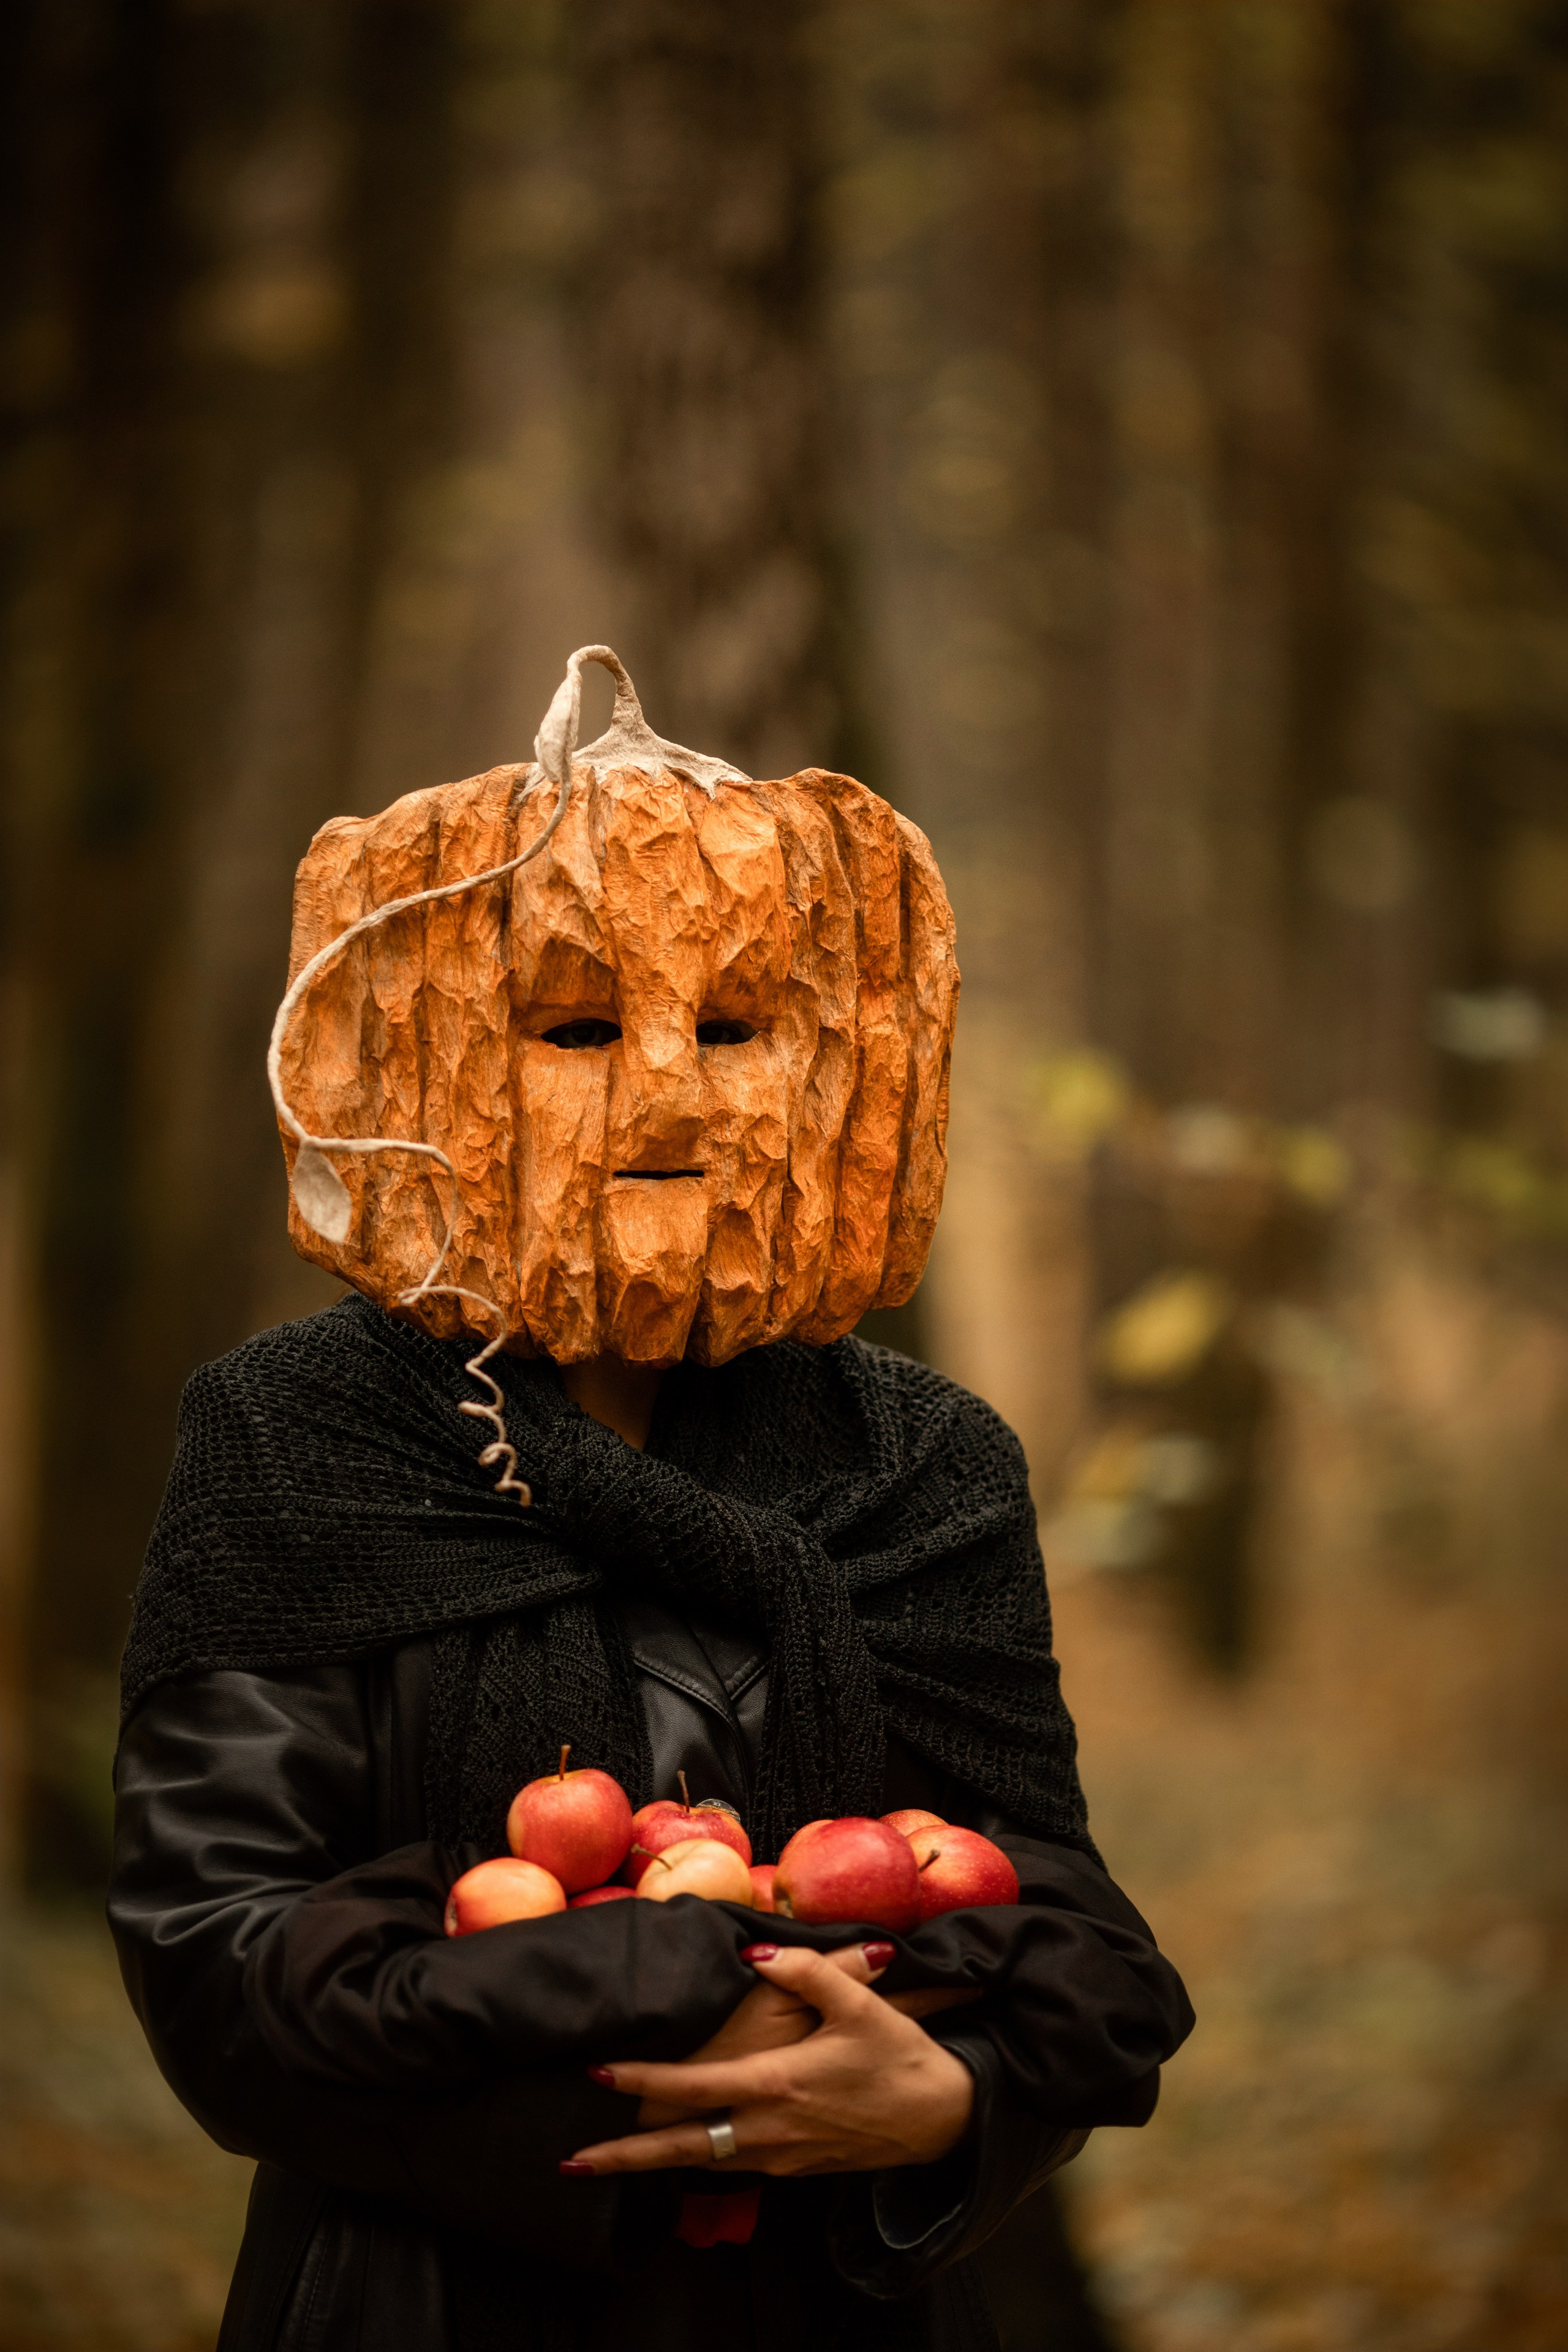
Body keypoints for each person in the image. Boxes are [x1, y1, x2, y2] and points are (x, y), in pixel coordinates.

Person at [110, 652, 1193, 2352]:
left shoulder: (927, 1463)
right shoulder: (295, 1436)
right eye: (577, 1031)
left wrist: (948, 2104)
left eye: (739, 1028)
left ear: (836, 1067)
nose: (672, 1093)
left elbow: (1068, 1936)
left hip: (849, 2314)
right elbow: (217, 1968)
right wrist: (665, 2034)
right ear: (434, 1059)